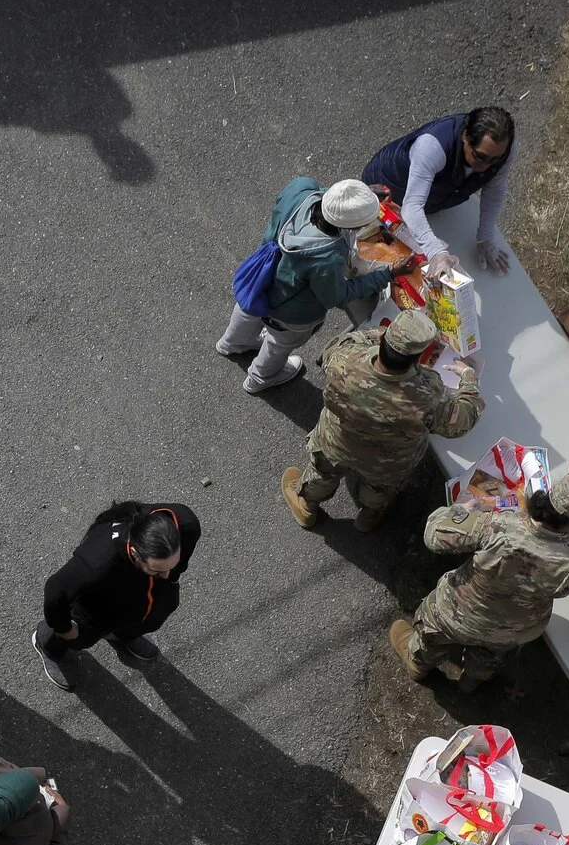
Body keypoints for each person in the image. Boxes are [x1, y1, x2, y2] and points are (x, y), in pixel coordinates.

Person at [395, 472, 569, 688]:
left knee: (432, 638)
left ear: (547, 499)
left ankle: (418, 664)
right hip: (516, 628)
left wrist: (460, 510)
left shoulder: (500, 525)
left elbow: (434, 535)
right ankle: (472, 680)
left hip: (457, 613)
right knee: (492, 652)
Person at [281, 310, 484, 533]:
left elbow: (337, 345)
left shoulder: (344, 359)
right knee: (379, 489)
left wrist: (383, 334)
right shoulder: (427, 397)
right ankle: (369, 515)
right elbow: (462, 421)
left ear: (384, 339)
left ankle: (307, 506)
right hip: (388, 462)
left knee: (322, 473)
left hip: (337, 441)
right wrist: (469, 379)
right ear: (417, 359)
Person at [215, 177, 399, 394]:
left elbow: (327, 198)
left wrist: (359, 198)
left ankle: (232, 344)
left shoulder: (300, 188)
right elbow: (335, 296)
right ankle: (259, 378)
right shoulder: (327, 258)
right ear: (348, 226)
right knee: (279, 342)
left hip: (260, 276)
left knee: (248, 310)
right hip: (291, 310)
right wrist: (387, 274)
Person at [32, 500, 201, 690]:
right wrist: (64, 628)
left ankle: (122, 635)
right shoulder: (97, 562)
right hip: (101, 601)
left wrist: (167, 580)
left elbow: (172, 570)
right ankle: (47, 644)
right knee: (81, 637)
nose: (167, 575)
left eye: (172, 565)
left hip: (141, 596)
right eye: (158, 569)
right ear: (135, 554)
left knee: (157, 612)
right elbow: (56, 590)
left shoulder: (186, 525)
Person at [360, 106, 516, 275]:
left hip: (432, 196)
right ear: (465, 136)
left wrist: (485, 237)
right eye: (480, 157)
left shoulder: (504, 149)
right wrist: (436, 253)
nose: (486, 167)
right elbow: (412, 207)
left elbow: (494, 190)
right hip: (387, 187)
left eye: (495, 160)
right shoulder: (431, 147)